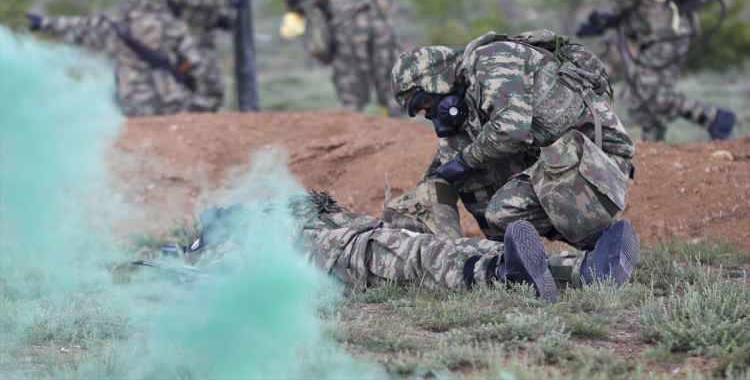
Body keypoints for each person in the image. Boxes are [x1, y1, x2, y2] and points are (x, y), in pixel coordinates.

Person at [388, 30, 640, 287]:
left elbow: (511, 131)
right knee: (487, 201)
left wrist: (465, 161)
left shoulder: (492, 60)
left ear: (435, 79)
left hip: (598, 158)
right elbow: (452, 166)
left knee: (501, 204)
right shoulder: (467, 97)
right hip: (565, 158)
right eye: (419, 111)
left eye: (423, 102)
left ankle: (603, 245)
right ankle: (521, 265)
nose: (427, 112)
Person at [157, 191, 639, 302]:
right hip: (342, 259)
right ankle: (504, 275)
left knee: (444, 248)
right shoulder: (216, 253)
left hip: (354, 240)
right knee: (428, 259)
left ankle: (582, 270)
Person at [577, 0, 736, 142]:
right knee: (641, 94)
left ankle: (715, 118)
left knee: (651, 93)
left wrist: (602, 18)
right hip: (659, 35)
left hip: (666, 34)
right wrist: (600, 23)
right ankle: (653, 143)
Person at [27, 0, 221, 116]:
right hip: (170, 104)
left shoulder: (115, 26)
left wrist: (43, 23)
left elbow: (77, 28)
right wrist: (179, 73)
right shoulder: (173, 27)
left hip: (130, 104)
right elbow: (194, 62)